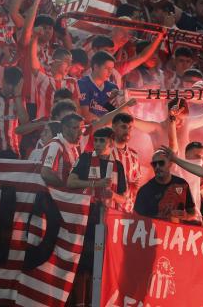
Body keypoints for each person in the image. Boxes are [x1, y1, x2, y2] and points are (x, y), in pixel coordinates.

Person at [67, 127, 127, 305]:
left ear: (111, 142)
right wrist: (95, 183)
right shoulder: (86, 158)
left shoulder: (118, 166)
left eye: (102, 141)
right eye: (96, 140)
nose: (98, 144)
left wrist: (112, 196)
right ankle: (79, 302)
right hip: (86, 216)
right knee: (81, 263)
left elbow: (123, 198)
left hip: (108, 218)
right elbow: (70, 182)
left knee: (101, 265)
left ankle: (97, 301)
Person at [133, 150, 198, 224]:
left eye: (161, 163)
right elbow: (136, 220)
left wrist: (186, 216)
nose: (157, 167)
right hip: (153, 233)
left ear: (170, 164)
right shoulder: (144, 191)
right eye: (154, 164)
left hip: (177, 233)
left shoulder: (182, 184)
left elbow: (192, 212)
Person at [0, 66, 29, 158]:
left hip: (13, 151)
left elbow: (25, 122)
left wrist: (17, 95)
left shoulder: (19, 100)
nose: (11, 88)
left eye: (14, 85)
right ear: (3, 80)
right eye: (9, 84)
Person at [40, 113, 84, 188]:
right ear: (65, 128)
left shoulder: (73, 147)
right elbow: (46, 173)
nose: (80, 133)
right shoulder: (55, 145)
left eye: (81, 128)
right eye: (75, 128)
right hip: (56, 197)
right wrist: (65, 188)